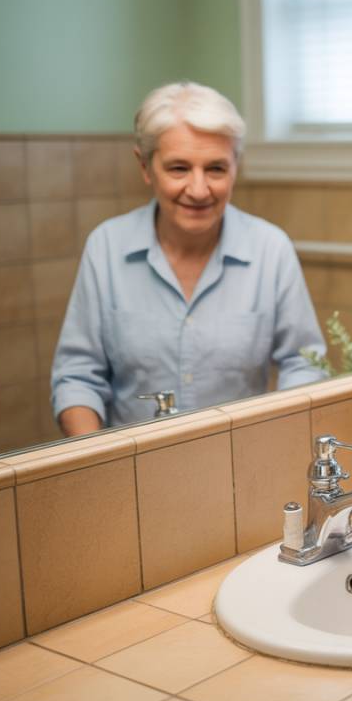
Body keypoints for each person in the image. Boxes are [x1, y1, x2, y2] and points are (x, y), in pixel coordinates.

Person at [52, 81, 327, 436]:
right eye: (179, 168)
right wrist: (98, 464)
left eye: (216, 169)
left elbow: (304, 365)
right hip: (130, 473)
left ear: (236, 167)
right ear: (146, 167)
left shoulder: (270, 248)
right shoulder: (106, 247)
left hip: (241, 464)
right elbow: (76, 377)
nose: (198, 190)